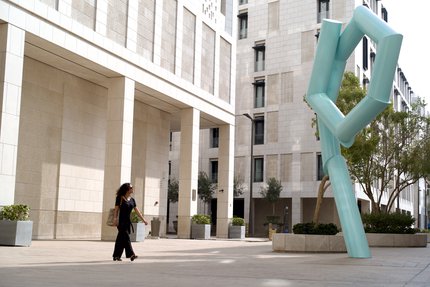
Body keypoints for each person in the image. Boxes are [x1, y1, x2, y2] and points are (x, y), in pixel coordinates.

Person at [112, 183, 148, 261]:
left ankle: (116, 256)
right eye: (131, 188)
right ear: (127, 189)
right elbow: (116, 210)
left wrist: (143, 220)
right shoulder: (120, 198)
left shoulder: (132, 200)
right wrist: (115, 219)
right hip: (121, 222)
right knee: (126, 238)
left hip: (128, 222)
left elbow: (137, 211)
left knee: (121, 239)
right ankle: (131, 254)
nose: (132, 189)